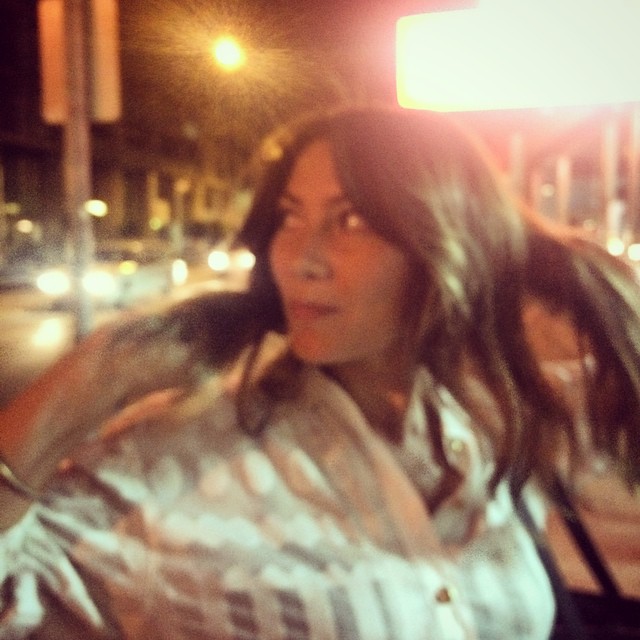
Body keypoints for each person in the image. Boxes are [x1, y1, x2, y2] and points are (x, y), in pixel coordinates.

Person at [1, 105, 639, 639]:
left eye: (350, 220)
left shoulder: (486, 429)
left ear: (445, 242)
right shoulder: (177, 460)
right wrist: (95, 378)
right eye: (290, 216)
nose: (301, 259)